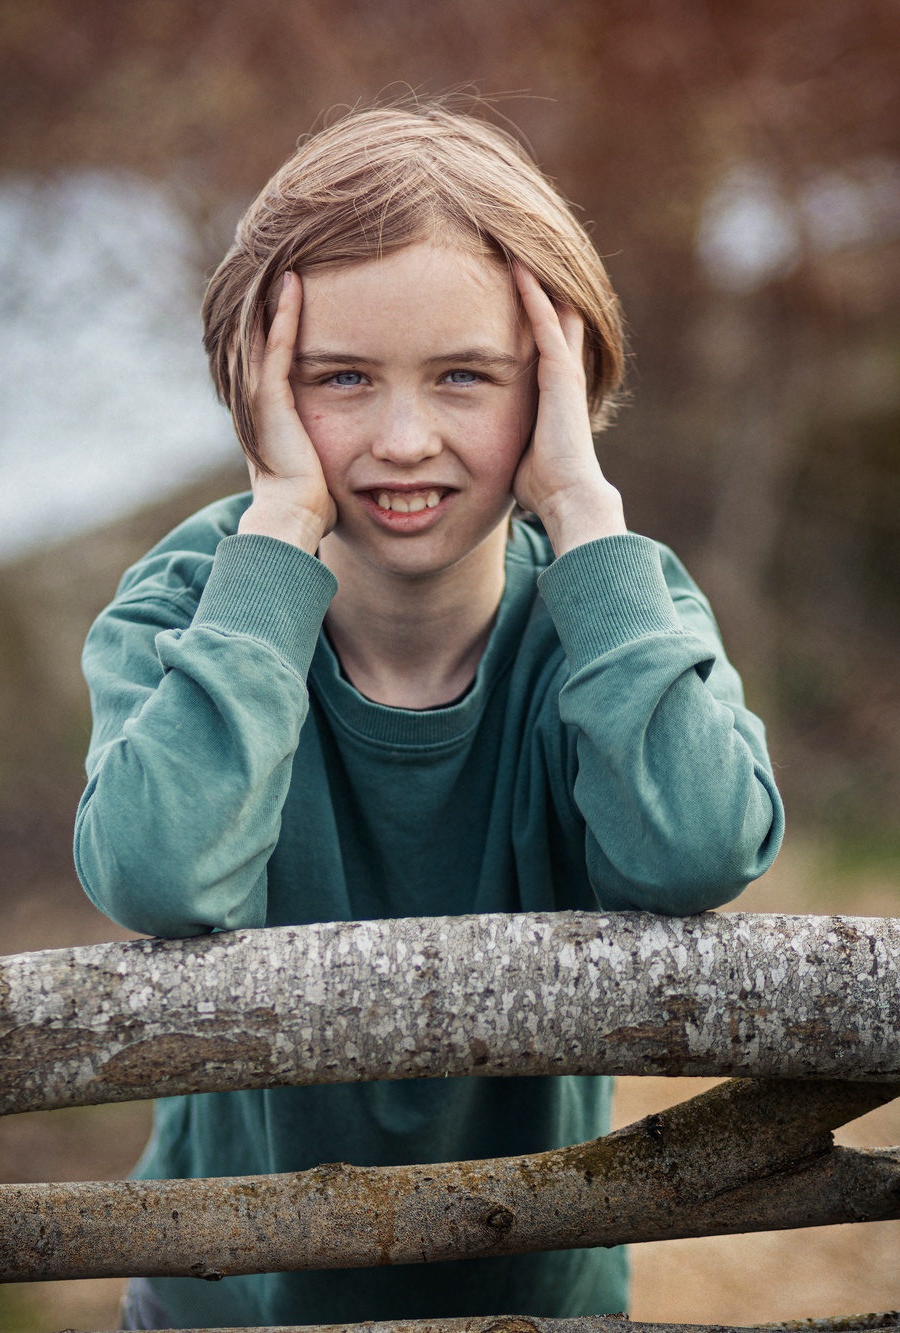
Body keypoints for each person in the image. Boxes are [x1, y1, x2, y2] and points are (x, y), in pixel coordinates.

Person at [75, 103, 785, 1329]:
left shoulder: (617, 605)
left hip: (537, 1301)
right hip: (233, 1307)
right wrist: (278, 536)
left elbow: (699, 848)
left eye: (466, 376)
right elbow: (155, 870)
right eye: (338, 378)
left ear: (560, 384)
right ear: (258, 392)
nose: (405, 440)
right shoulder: (193, 605)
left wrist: (577, 505)